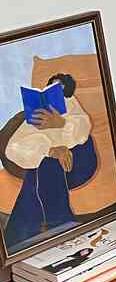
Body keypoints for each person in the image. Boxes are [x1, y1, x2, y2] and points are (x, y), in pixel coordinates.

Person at [4, 74, 98, 251]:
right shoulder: (38, 113)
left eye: (60, 88)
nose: (57, 92)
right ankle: (28, 236)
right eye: (53, 87)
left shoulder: (71, 104)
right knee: (44, 165)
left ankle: (24, 235)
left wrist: (61, 123)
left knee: (45, 165)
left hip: (78, 161)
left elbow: (83, 128)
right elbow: (13, 148)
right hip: (52, 170)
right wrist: (49, 150)